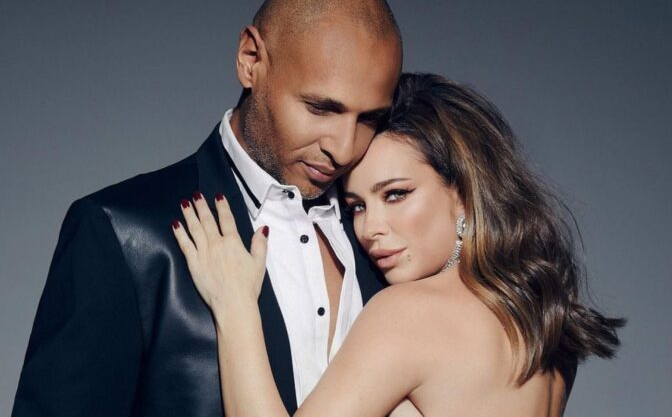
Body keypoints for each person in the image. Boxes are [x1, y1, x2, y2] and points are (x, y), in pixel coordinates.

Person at [11, 0, 402, 415]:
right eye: (320, 108)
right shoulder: (123, 236)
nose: (343, 149)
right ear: (250, 59)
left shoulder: (394, 245)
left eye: (370, 118)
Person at [172, 73, 625, 416]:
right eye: (356, 206)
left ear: (464, 192)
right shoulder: (547, 322)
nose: (370, 228)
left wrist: (235, 307)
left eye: (395, 194)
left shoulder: (409, 314)